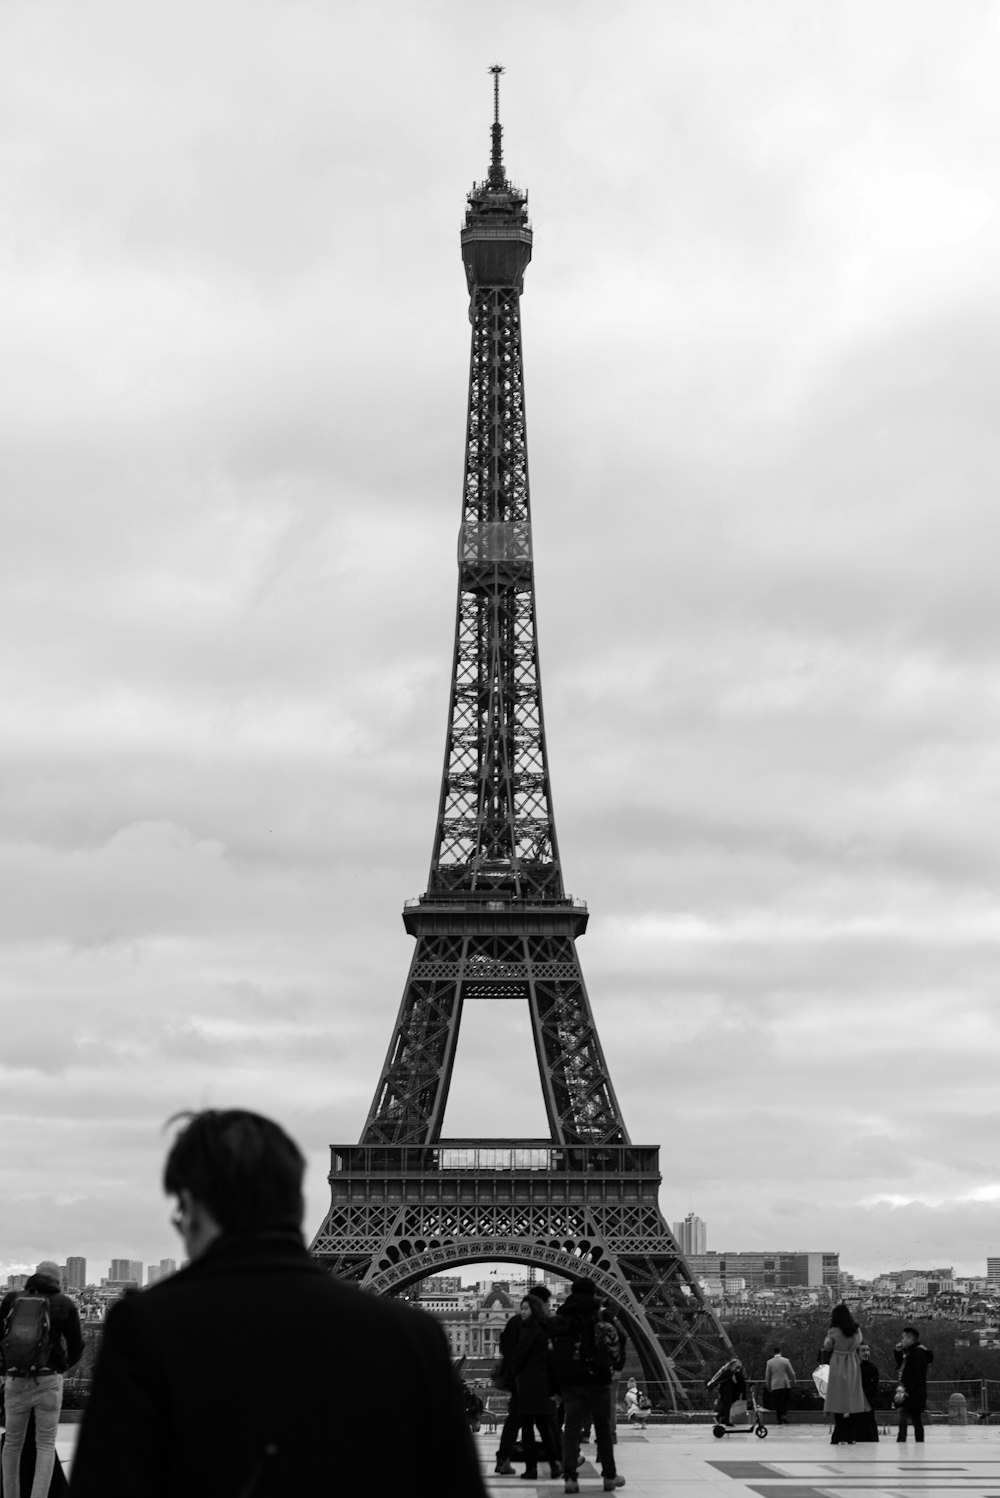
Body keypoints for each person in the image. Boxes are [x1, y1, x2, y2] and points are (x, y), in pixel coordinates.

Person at [69, 1109, 486, 1498]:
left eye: (179, 1215)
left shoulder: (148, 1327)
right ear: (296, 1204)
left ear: (192, 1207)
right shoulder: (413, 1335)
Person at [1, 1260, 83, 1498]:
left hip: (15, 1378)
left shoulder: (12, 1300)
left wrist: (5, 1369)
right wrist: (62, 1367)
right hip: (48, 1380)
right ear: (57, 1280)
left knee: (12, 1445)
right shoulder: (64, 1303)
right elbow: (76, 1346)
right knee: (45, 1444)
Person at [550, 1279, 624, 1495]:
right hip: (598, 1378)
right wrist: (615, 1365)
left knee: (571, 1430)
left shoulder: (563, 1316)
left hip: (571, 1381)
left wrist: (555, 1386)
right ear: (593, 1293)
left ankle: (570, 1479)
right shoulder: (600, 1314)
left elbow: (552, 1352)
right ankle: (609, 1476)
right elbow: (622, 1338)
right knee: (602, 1429)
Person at [494, 1284, 553, 1475]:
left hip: (520, 1380)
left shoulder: (515, 1322)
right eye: (546, 1303)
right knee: (546, 1421)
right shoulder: (540, 1325)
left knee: (517, 1421)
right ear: (541, 1303)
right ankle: (557, 1460)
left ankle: (507, 1459)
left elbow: (508, 1349)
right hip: (534, 1381)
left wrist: (512, 1374)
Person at [509, 1293, 562, 1481]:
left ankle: (531, 1468)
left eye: (525, 1309)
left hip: (530, 1384)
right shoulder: (547, 1329)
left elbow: (519, 1357)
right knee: (544, 1425)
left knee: (527, 1427)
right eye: (521, 1309)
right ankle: (555, 1463)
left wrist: (512, 1372)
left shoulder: (529, 1330)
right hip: (546, 1384)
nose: (522, 1312)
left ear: (534, 1310)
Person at [822, 1302, 866, 1444]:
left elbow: (828, 1346)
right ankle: (851, 1435)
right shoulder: (856, 1330)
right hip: (852, 1362)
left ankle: (839, 1433)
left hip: (838, 1362)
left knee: (837, 1398)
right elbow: (859, 1343)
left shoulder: (833, 1330)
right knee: (852, 1398)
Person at [894, 1326, 934, 1444]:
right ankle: (908, 1441)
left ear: (910, 1338)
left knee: (914, 1419)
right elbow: (900, 1365)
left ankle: (912, 1442)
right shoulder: (910, 1352)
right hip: (909, 1391)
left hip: (914, 1393)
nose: (901, 1340)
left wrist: (908, 1391)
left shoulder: (918, 1354)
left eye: (903, 1338)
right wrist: (897, 1352)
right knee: (909, 1417)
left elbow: (918, 1375)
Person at [707, 1357, 747, 1426]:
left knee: (727, 1405)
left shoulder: (727, 1371)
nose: (738, 1369)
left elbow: (720, 1378)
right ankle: (723, 1419)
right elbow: (734, 1380)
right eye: (737, 1367)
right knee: (727, 1405)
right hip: (726, 1391)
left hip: (725, 1390)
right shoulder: (729, 1372)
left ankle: (722, 1418)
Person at [764, 1346, 797, 1426]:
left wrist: (768, 1385)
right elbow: (792, 1373)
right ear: (780, 1351)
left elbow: (767, 1376)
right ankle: (784, 1414)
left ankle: (779, 1419)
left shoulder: (769, 1362)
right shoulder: (785, 1361)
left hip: (775, 1385)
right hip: (785, 1384)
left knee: (777, 1402)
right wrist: (793, 1381)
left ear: (774, 1352)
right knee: (786, 1400)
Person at [855, 1343, 880, 1443]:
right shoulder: (852, 1367)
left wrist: (862, 1394)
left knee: (869, 1432)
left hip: (867, 1404)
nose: (867, 1353)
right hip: (854, 1405)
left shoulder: (872, 1368)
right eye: (863, 1350)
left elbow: (874, 1387)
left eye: (868, 1350)